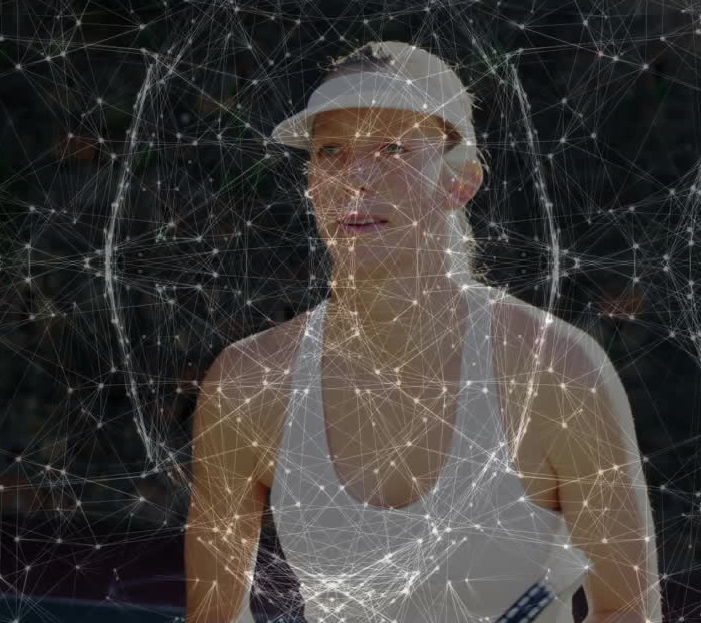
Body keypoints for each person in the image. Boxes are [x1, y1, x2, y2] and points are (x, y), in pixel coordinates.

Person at [185, 41, 660, 623]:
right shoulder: (247, 382)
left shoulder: (557, 369)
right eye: (330, 150)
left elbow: (628, 612)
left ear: (460, 182)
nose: (356, 177)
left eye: (393, 148)